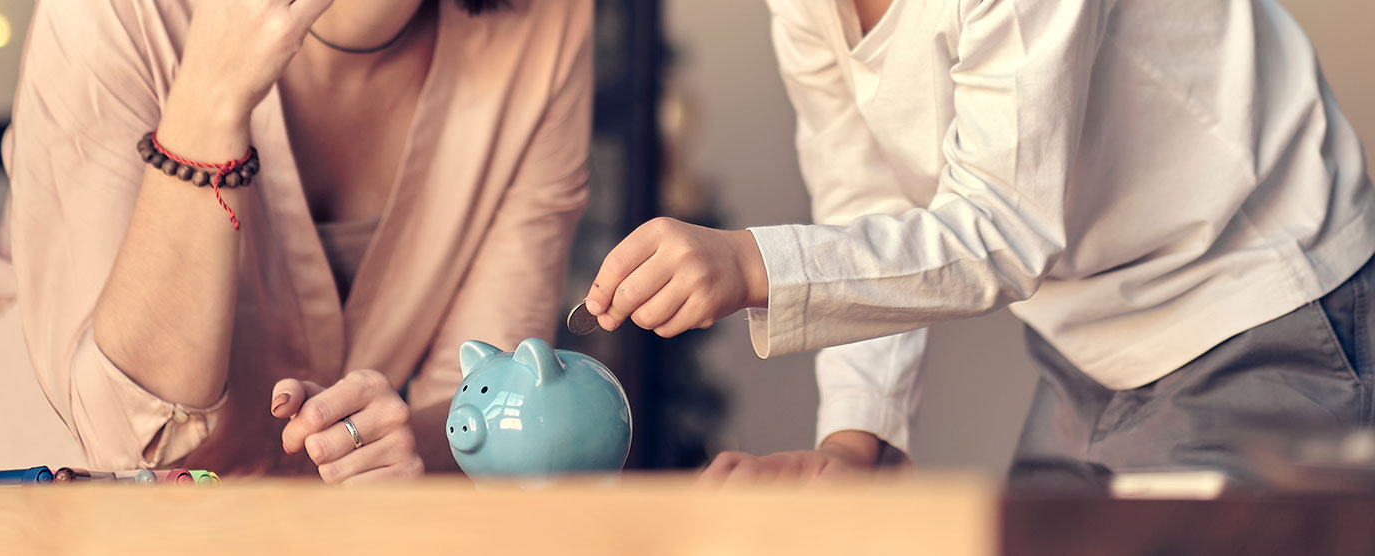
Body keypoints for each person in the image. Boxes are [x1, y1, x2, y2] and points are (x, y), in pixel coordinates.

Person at [584, 0, 1375, 485]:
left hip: (1258, 307)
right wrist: (858, 444)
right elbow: (864, 203)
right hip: (1084, 355)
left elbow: (1002, 226)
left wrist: (754, 263)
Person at [0, 0, 592, 485]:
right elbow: (132, 437)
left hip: (268, 533)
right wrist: (210, 101)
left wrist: (402, 446)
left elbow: (494, 409)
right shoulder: (115, 11)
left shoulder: (544, 24)